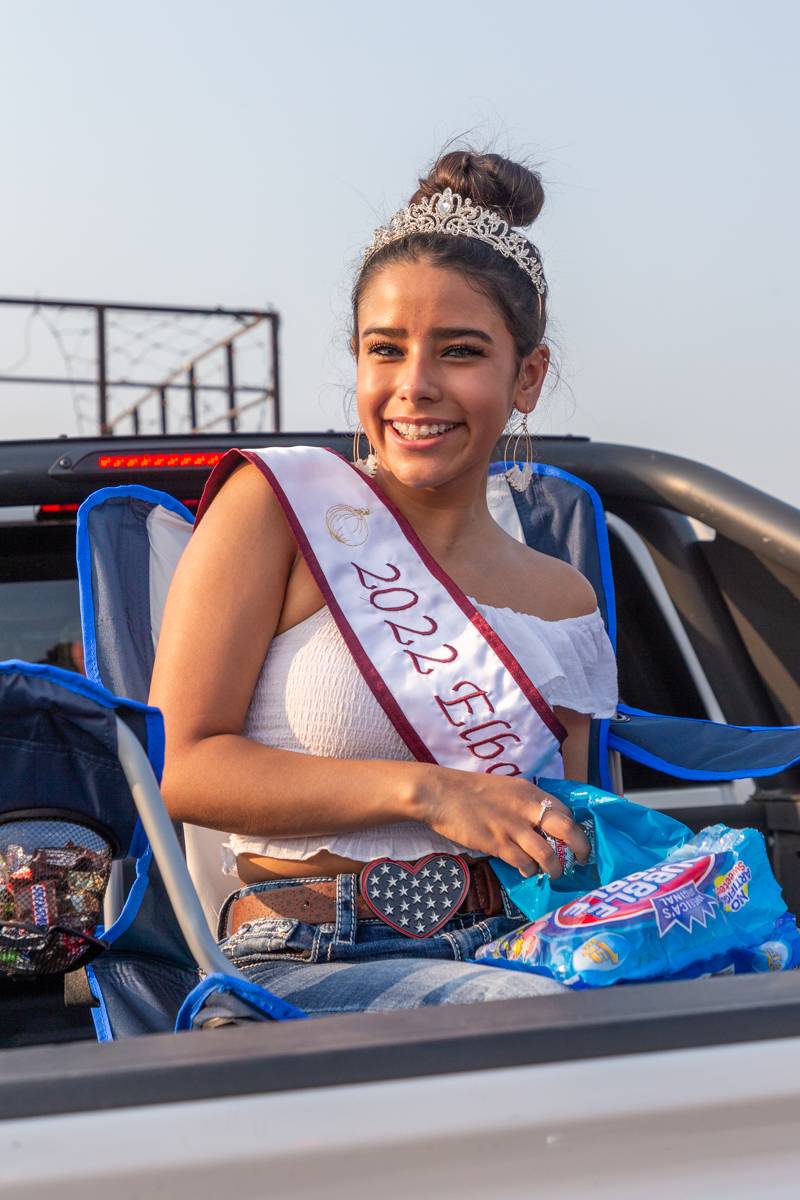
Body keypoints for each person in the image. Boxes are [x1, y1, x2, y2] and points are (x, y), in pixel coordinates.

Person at [149, 149, 618, 1015]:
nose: (415, 386)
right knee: (533, 1029)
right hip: (304, 958)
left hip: (521, 945)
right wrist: (432, 791)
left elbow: (569, 829)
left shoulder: (566, 600)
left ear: (527, 377)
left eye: (461, 351)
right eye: (385, 349)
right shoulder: (279, 512)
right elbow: (178, 763)